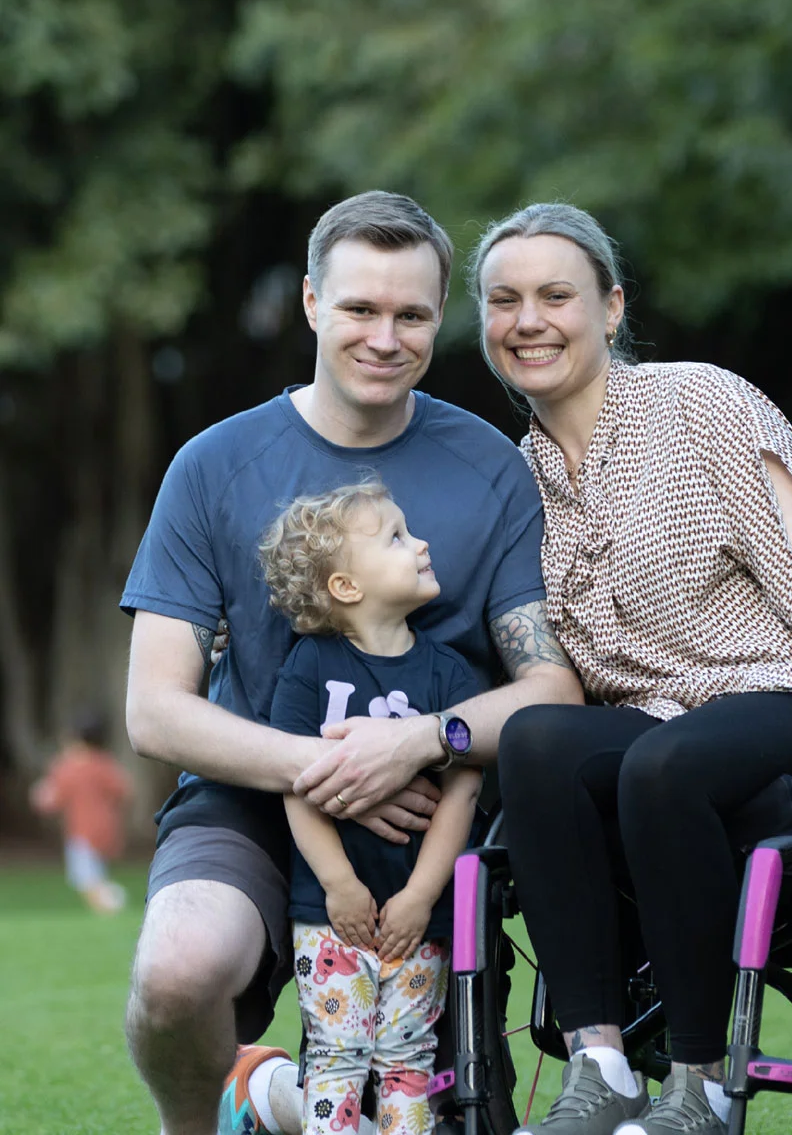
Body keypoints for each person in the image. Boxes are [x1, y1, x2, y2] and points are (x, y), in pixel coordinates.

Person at [470, 202, 792, 1135]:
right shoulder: (522, 477)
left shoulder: (698, 402)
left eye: (556, 295)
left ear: (612, 306)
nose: (529, 320)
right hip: (655, 734)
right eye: (504, 301)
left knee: (665, 764)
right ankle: (601, 1068)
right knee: (540, 742)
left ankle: (703, 1085)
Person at [120, 191, 583, 1135]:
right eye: (360, 309)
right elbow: (155, 712)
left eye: (411, 314)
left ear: (438, 317)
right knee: (175, 974)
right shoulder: (213, 466)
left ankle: (283, 1095)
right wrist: (330, 769)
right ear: (309, 304)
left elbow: (550, 685)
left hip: (431, 818)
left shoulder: (490, 466)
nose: (386, 336)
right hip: (251, 794)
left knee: (407, 1095)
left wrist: (418, 742)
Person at [260, 480, 484, 1135]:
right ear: (346, 589)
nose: (419, 543)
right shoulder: (311, 668)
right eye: (394, 536)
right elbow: (294, 782)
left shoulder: (450, 677)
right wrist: (338, 884)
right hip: (334, 915)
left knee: (410, 1060)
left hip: (420, 914)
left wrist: (421, 895)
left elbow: (463, 791)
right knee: (335, 1055)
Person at [30, 713, 134, 914]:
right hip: (106, 828)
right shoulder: (104, 764)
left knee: (85, 878)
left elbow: (49, 800)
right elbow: (124, 791)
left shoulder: (68, 767)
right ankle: (110, 902)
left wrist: (38, 793)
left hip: (82, 831)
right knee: (93, 874)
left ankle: (112, 905)